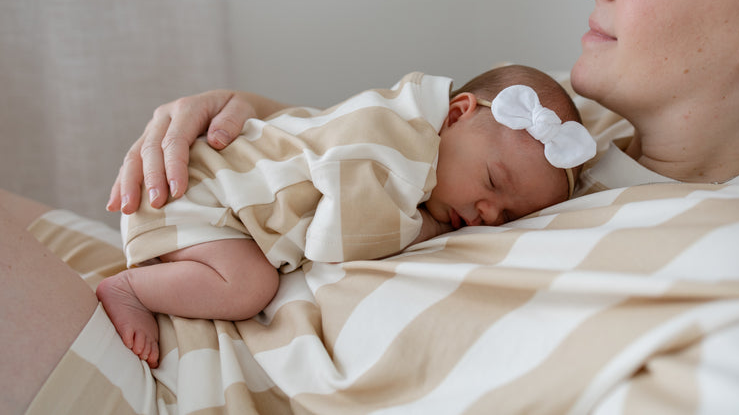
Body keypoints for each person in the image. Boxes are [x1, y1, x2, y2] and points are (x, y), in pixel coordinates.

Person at [4, 0, 739, 413]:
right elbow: (388, 144)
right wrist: (249, 120)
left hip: (188, 385)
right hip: (178, 289)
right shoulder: (569, 125)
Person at [96, 65, 596, 368]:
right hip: (200, 197)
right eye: (492, 183)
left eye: (508, 215)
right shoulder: (391, 149)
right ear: (457, 113)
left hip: (210, 197)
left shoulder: (405, 132)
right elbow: (339, 240)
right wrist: (431, 228)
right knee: (247, 285)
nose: (489, 214)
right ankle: (131, 289)